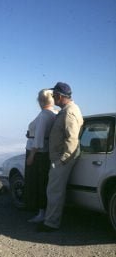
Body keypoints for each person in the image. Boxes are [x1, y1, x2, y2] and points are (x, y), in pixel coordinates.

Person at [37, 82, 83, 232]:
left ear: (61, 96)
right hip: (62, 157)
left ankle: (50, 223)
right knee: (55, 190)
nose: (53, 97)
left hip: (63, 158)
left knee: (54, 190)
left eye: (55, 95)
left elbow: (73, 138)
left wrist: (62, 159)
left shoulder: (69, 112)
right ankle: (51, 220)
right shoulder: (67, 110)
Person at [24, 89, 57, 221]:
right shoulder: (55, 113)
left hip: (37, 153)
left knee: (37, 183)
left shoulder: (44, 114)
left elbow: (38, 138)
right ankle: (43, 211)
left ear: (41, 100)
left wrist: (31, 155)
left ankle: (41, 212)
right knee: (43, 182)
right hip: (46, 151)